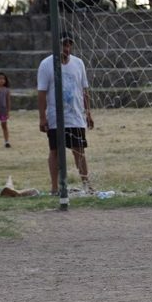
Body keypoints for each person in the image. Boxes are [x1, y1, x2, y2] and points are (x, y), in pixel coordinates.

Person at [37, 32, 94, 195]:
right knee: (55, 150)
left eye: (69, 45)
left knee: (79, 150)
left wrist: (88, 113)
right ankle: (55, 187)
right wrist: (42, 117)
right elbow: (41, 92)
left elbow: (84, 90)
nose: (66, 48)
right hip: (56, 117)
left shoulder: (79, 63)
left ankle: (87, 184)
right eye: (63, 44)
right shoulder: (46, 64)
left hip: (76, 116)